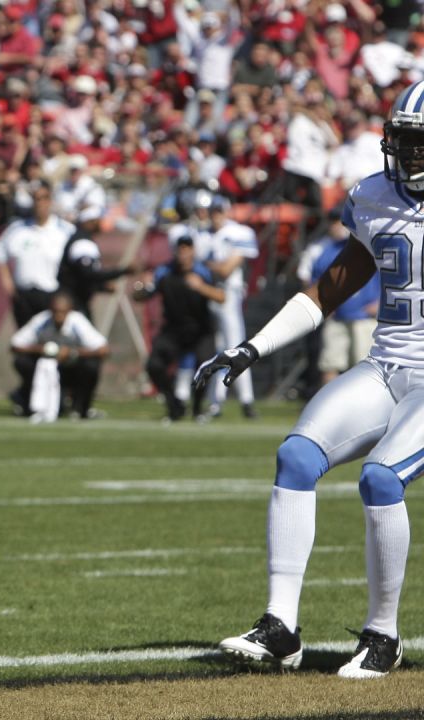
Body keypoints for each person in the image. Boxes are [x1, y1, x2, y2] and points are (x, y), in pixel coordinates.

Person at [201, 79, 424, 680]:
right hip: (386, 364)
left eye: (421, 145)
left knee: (381, 480)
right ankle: (281, 627)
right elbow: (331, 287)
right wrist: (253, 344)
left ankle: (383, 634)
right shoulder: (375, 195)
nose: (408, 156)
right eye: (404, 142)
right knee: (296, 456)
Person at [133, 235, 225, 422]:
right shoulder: (164, 271)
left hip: (200, 329)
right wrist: (141, 286)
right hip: (173, 329)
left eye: (187, 248)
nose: (183, 253)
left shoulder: (203, 271)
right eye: (180, 249)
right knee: (154, 365)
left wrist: (201, 288)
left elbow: (221, 297)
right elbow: (141, 296)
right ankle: (174, 405)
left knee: (205, 366)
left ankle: (197, 409)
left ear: (192, 251)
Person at [297, 220, 378, 386]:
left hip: (364, 315)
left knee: (366, 367)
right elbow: (316, 281)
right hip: (337, 315)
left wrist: (381, 302)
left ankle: (365, 409)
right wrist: (323, 303)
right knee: (330, 364)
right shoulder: (326, 250)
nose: (338, 226)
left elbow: (391, 275)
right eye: (333, 222)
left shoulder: (372, 246)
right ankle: (331, 408)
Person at [10, 292, 109, 421]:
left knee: (91, 366)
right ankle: (28, 400)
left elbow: (103, 349)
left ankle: (81, 407)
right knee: (22, 362)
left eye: (62, 312)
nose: (58, 316)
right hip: (45, 370)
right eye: (55, 312)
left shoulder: (77, 322)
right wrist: (41, 349)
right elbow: (15, 344)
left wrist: (71, 352)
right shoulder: (42, 321)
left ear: (69, 311)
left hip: (71, 369)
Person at [203, 196, 260, 419]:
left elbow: (226, 270)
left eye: (219, 211)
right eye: (212, 211)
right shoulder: (203, 233)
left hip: (228, 294)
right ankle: (216, 402)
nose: (215, 215)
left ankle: (246, 400)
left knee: (235, 346)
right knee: (218, 348)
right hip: (208, 294)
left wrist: (205, 264)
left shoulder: (238, 233)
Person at [0, 180, 75, 326]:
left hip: (52, 295)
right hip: (24, 293)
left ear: (51, 201)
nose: (40, 203)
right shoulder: (17, 228)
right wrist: (7, 281)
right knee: (25, 340)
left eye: (44, 198)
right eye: (36, 199)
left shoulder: (65, 230)